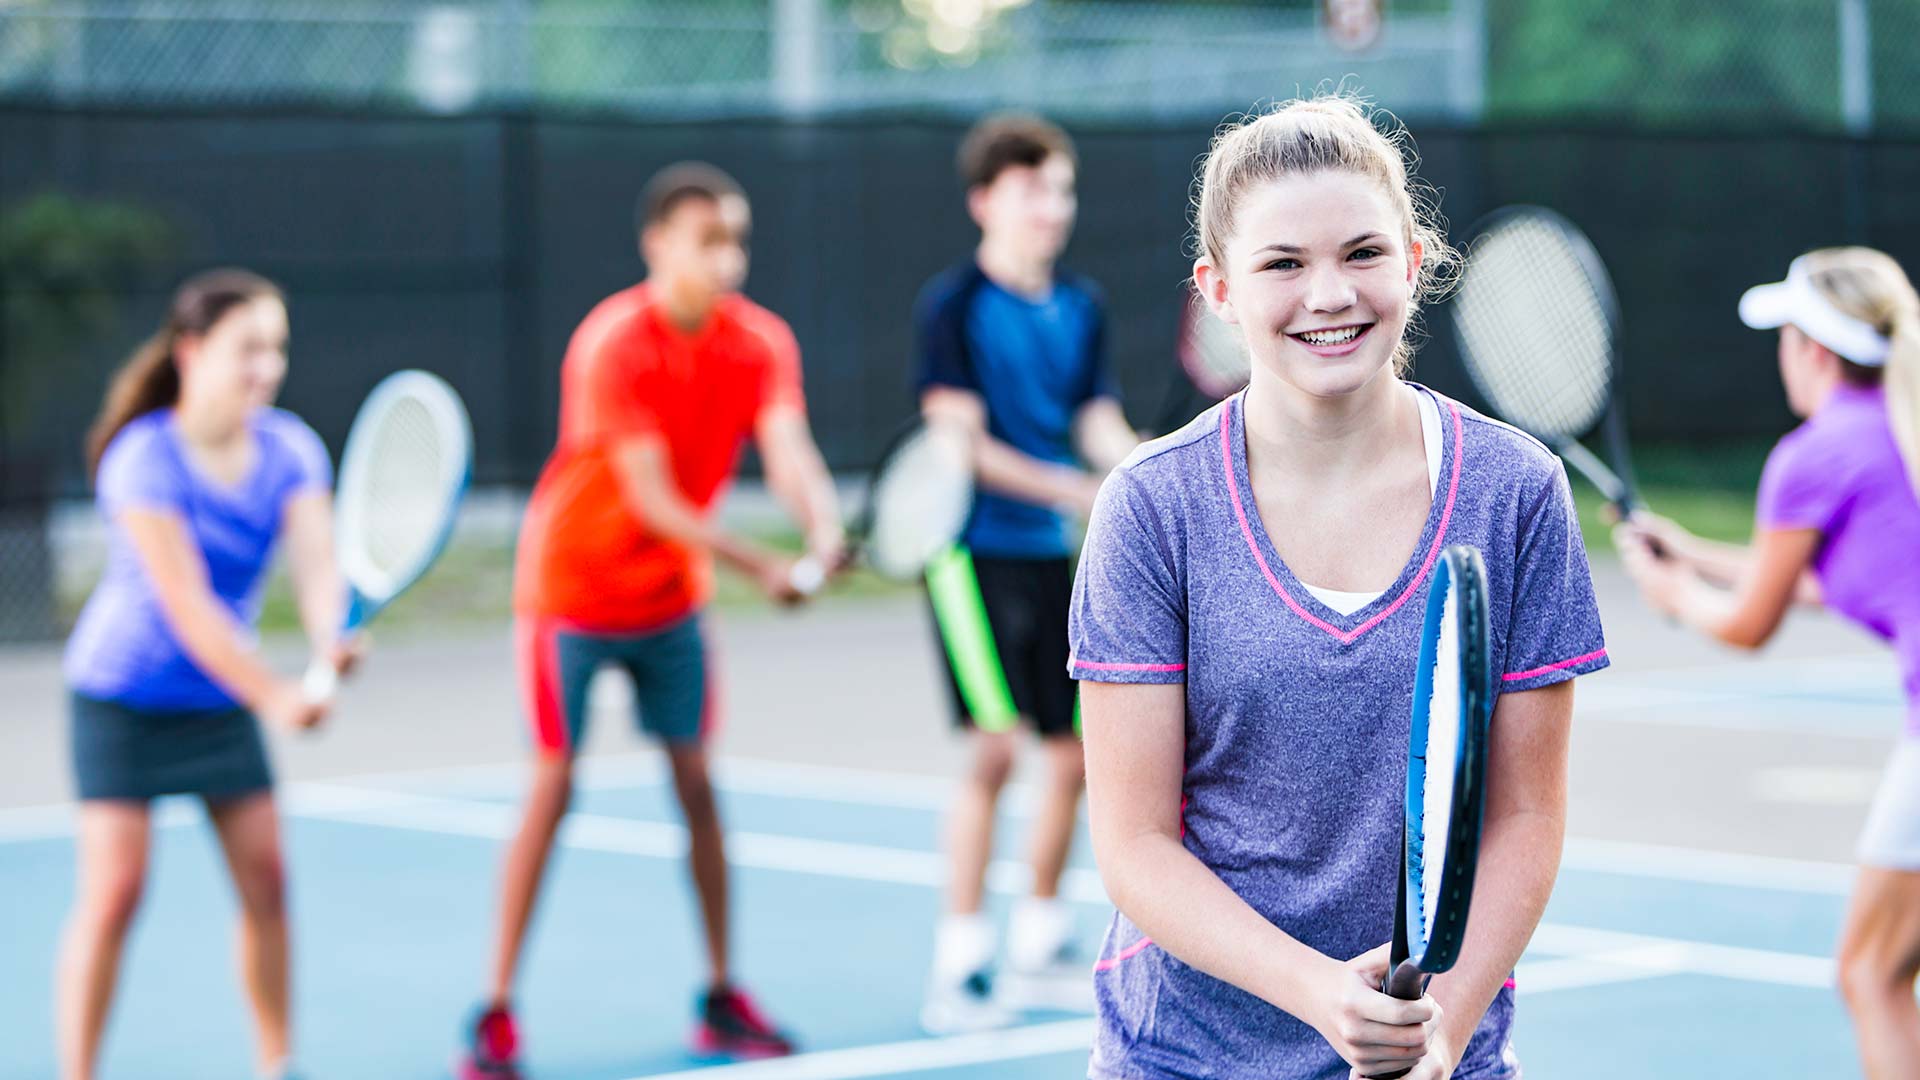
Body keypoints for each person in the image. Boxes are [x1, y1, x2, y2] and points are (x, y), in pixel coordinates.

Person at [1069, 95, 1609, 1078]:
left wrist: (1440, 1021)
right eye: (1282, 263)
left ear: (1412, 261)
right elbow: (1135, 843)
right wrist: (1325, 998)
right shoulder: (1150, 507)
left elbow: (1526, 815)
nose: (1329, 295)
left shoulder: (1515, 490)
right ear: (1219, 290)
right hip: (1185, 1056)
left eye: (1362, 254)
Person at [457, 162, 844, 1078]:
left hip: (671, 604)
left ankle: (719, 997)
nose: (729, 259)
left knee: (699, 788)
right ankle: (496, 1010)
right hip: (571, 595)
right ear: (658, 245)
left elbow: (788, 451)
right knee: (551, 790)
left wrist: (822, 531)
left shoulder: (760, 343)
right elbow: (655, 499)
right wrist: (763, 566)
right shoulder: (611, 344)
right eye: (709, 240)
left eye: (737, 240)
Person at [1615, 247, 1920, 1080]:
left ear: (1812, 350)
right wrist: (1693, 555)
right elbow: (1831, 583)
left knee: (1872, 972)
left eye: (1786, 333)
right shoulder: (1900, 434)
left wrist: (1670, 594)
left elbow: (1754, 625)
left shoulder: (1812, 456)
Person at [56, 269, 355, 1080]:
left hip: (218, 700)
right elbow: (186, 608)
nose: (266, 367)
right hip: (120, 697)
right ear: (191, 352)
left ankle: (276, 1064)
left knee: (269, 883)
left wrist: (333, 635)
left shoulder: (290, 447)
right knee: (116, 894)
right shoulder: (141, 456)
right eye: (246, 349)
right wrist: (277, 695)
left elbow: (319, 568)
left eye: (277, 350)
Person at [912, 112, 1140, 1033]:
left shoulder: (1081, 307)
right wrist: (1072, 488)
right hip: (971, 554)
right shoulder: (954, 305)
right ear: (984, 202)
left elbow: (1099, 428)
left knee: (1073, 754)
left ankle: (1038, 938)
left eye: (1061, 188)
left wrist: (1144, 472)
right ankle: (960, 963)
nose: (1051, 206)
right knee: (996, 749)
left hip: (1059, 558)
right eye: (1030, 189)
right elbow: (957, 445)